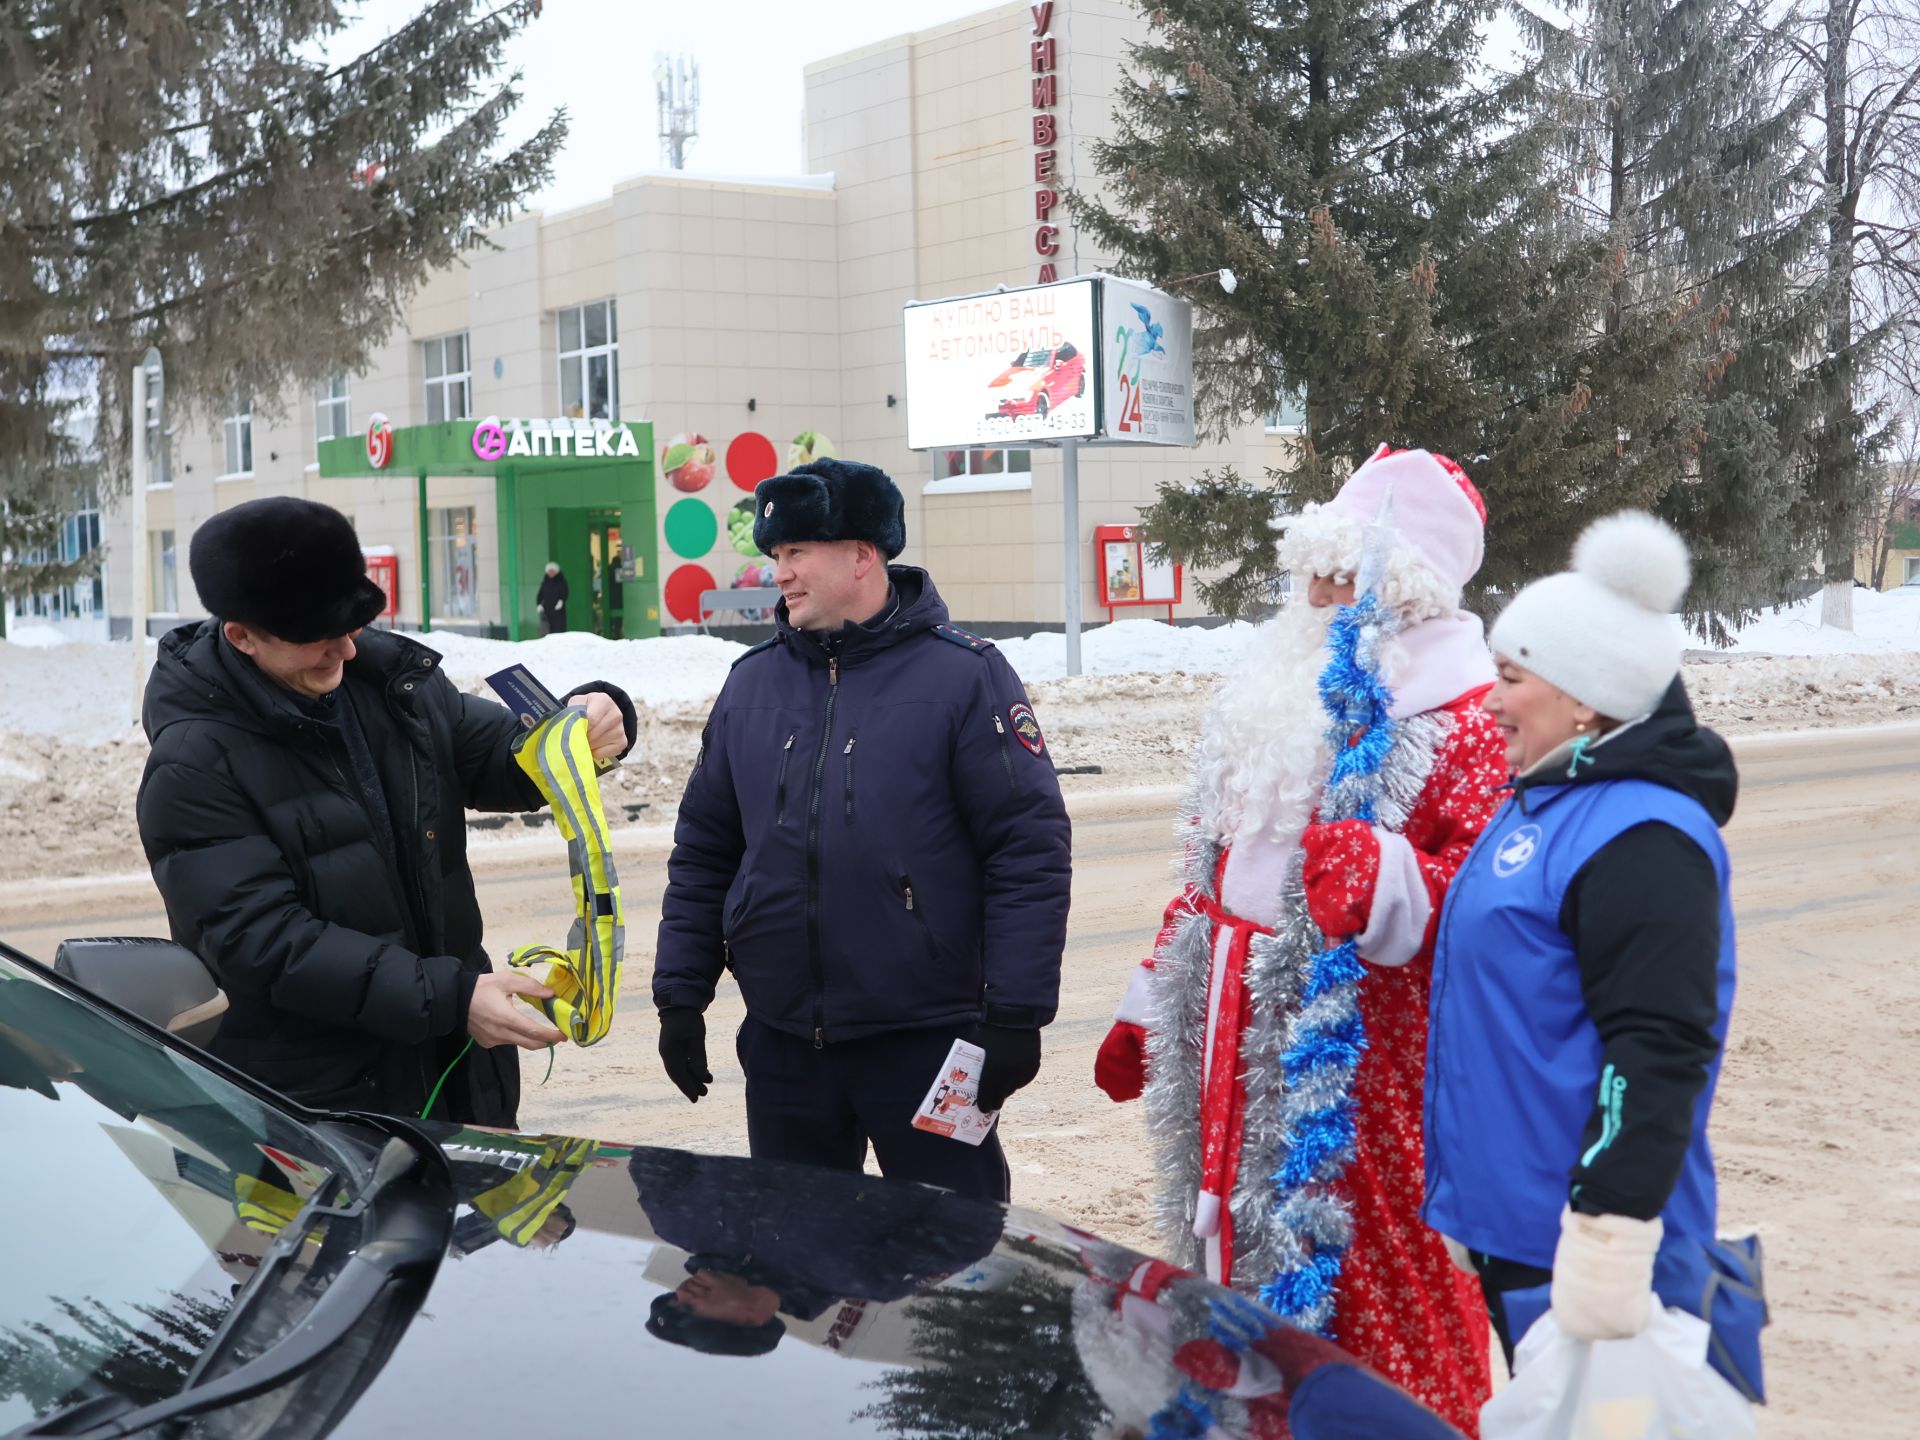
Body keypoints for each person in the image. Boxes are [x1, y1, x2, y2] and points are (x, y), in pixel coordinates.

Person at [1092, 446, 1507, 1433]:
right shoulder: (1267, 700)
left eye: (1344, 576)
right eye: (1311, 570)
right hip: (1229, 1053)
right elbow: (1212, 878)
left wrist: (1394, 883)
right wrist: (1152, 1001)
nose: (1317, 594)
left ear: (1405, 594)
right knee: (1230, 1257)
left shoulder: (1465, 723)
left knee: (1369, 1281)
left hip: (1367, 1078)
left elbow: (1497, 910)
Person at [137, 498, 637, 1126]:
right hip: (322, 1102)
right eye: (316, 639)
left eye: (351, 625)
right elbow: (266, 942)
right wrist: (452, 999)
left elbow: (501, 757)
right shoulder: (195, 762)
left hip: (452, 1064)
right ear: (242, 636)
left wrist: (585, 726)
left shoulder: (391, 684)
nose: (343, 651)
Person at [652, 458, 1071, 1202]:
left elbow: (1027, 849)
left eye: (796, 553)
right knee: (799, 1272)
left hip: (927, 1041)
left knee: (953, 1271)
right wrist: (682, 996)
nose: (780, 573)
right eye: (776, 556)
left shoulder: (964, 678)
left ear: (862, 556)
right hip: (784, 1049)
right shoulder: (752, 685)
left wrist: (1015, 1014)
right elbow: (706, 850)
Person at [1423, 512, 1760, 1388]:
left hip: (1590, 1246)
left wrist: (1607, 1230)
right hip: (1518, 1229)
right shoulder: (1544, 799)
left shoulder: (1645, 836)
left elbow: (1658, 1047)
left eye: (1510, 676)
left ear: (1583, 696)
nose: (1491, 700)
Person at [630, 1147, 1004, 1358]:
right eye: (691, 1311)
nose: (681, 1294)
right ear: (751, 1320)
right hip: (914, 1115)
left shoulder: (677, 1224)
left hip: (797, 1055)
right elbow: (971, 1227)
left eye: (672, 1300)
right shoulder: (865, 1275)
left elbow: (653, 1158)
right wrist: (941, 1156)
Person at [537, 561, 569, 635]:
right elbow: (540, 595)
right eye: (549, 571)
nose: (551, 573)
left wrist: (561, 601)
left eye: (553, 571)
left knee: (558, 631)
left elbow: (565, 593)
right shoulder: (545, 582)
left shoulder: (561, 581)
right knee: (546, 631)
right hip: (546, 611)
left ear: (556, 571)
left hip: (558, 611)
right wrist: (539, 604)